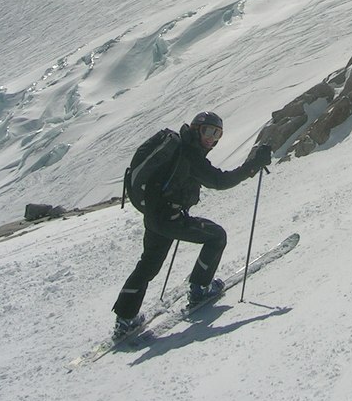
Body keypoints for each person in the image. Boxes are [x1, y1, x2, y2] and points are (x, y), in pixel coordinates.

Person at [112, 110, 272, 335]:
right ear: (196, 129)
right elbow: (220, 181)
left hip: (154, 215)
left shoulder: (179, 147)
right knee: (217, 237)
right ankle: (200, 289)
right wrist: (253, 165)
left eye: (217, 134)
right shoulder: (190, 154)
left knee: (148, 264)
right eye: (208, 131)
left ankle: (125, 318)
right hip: (170, 218)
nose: (211, 138)